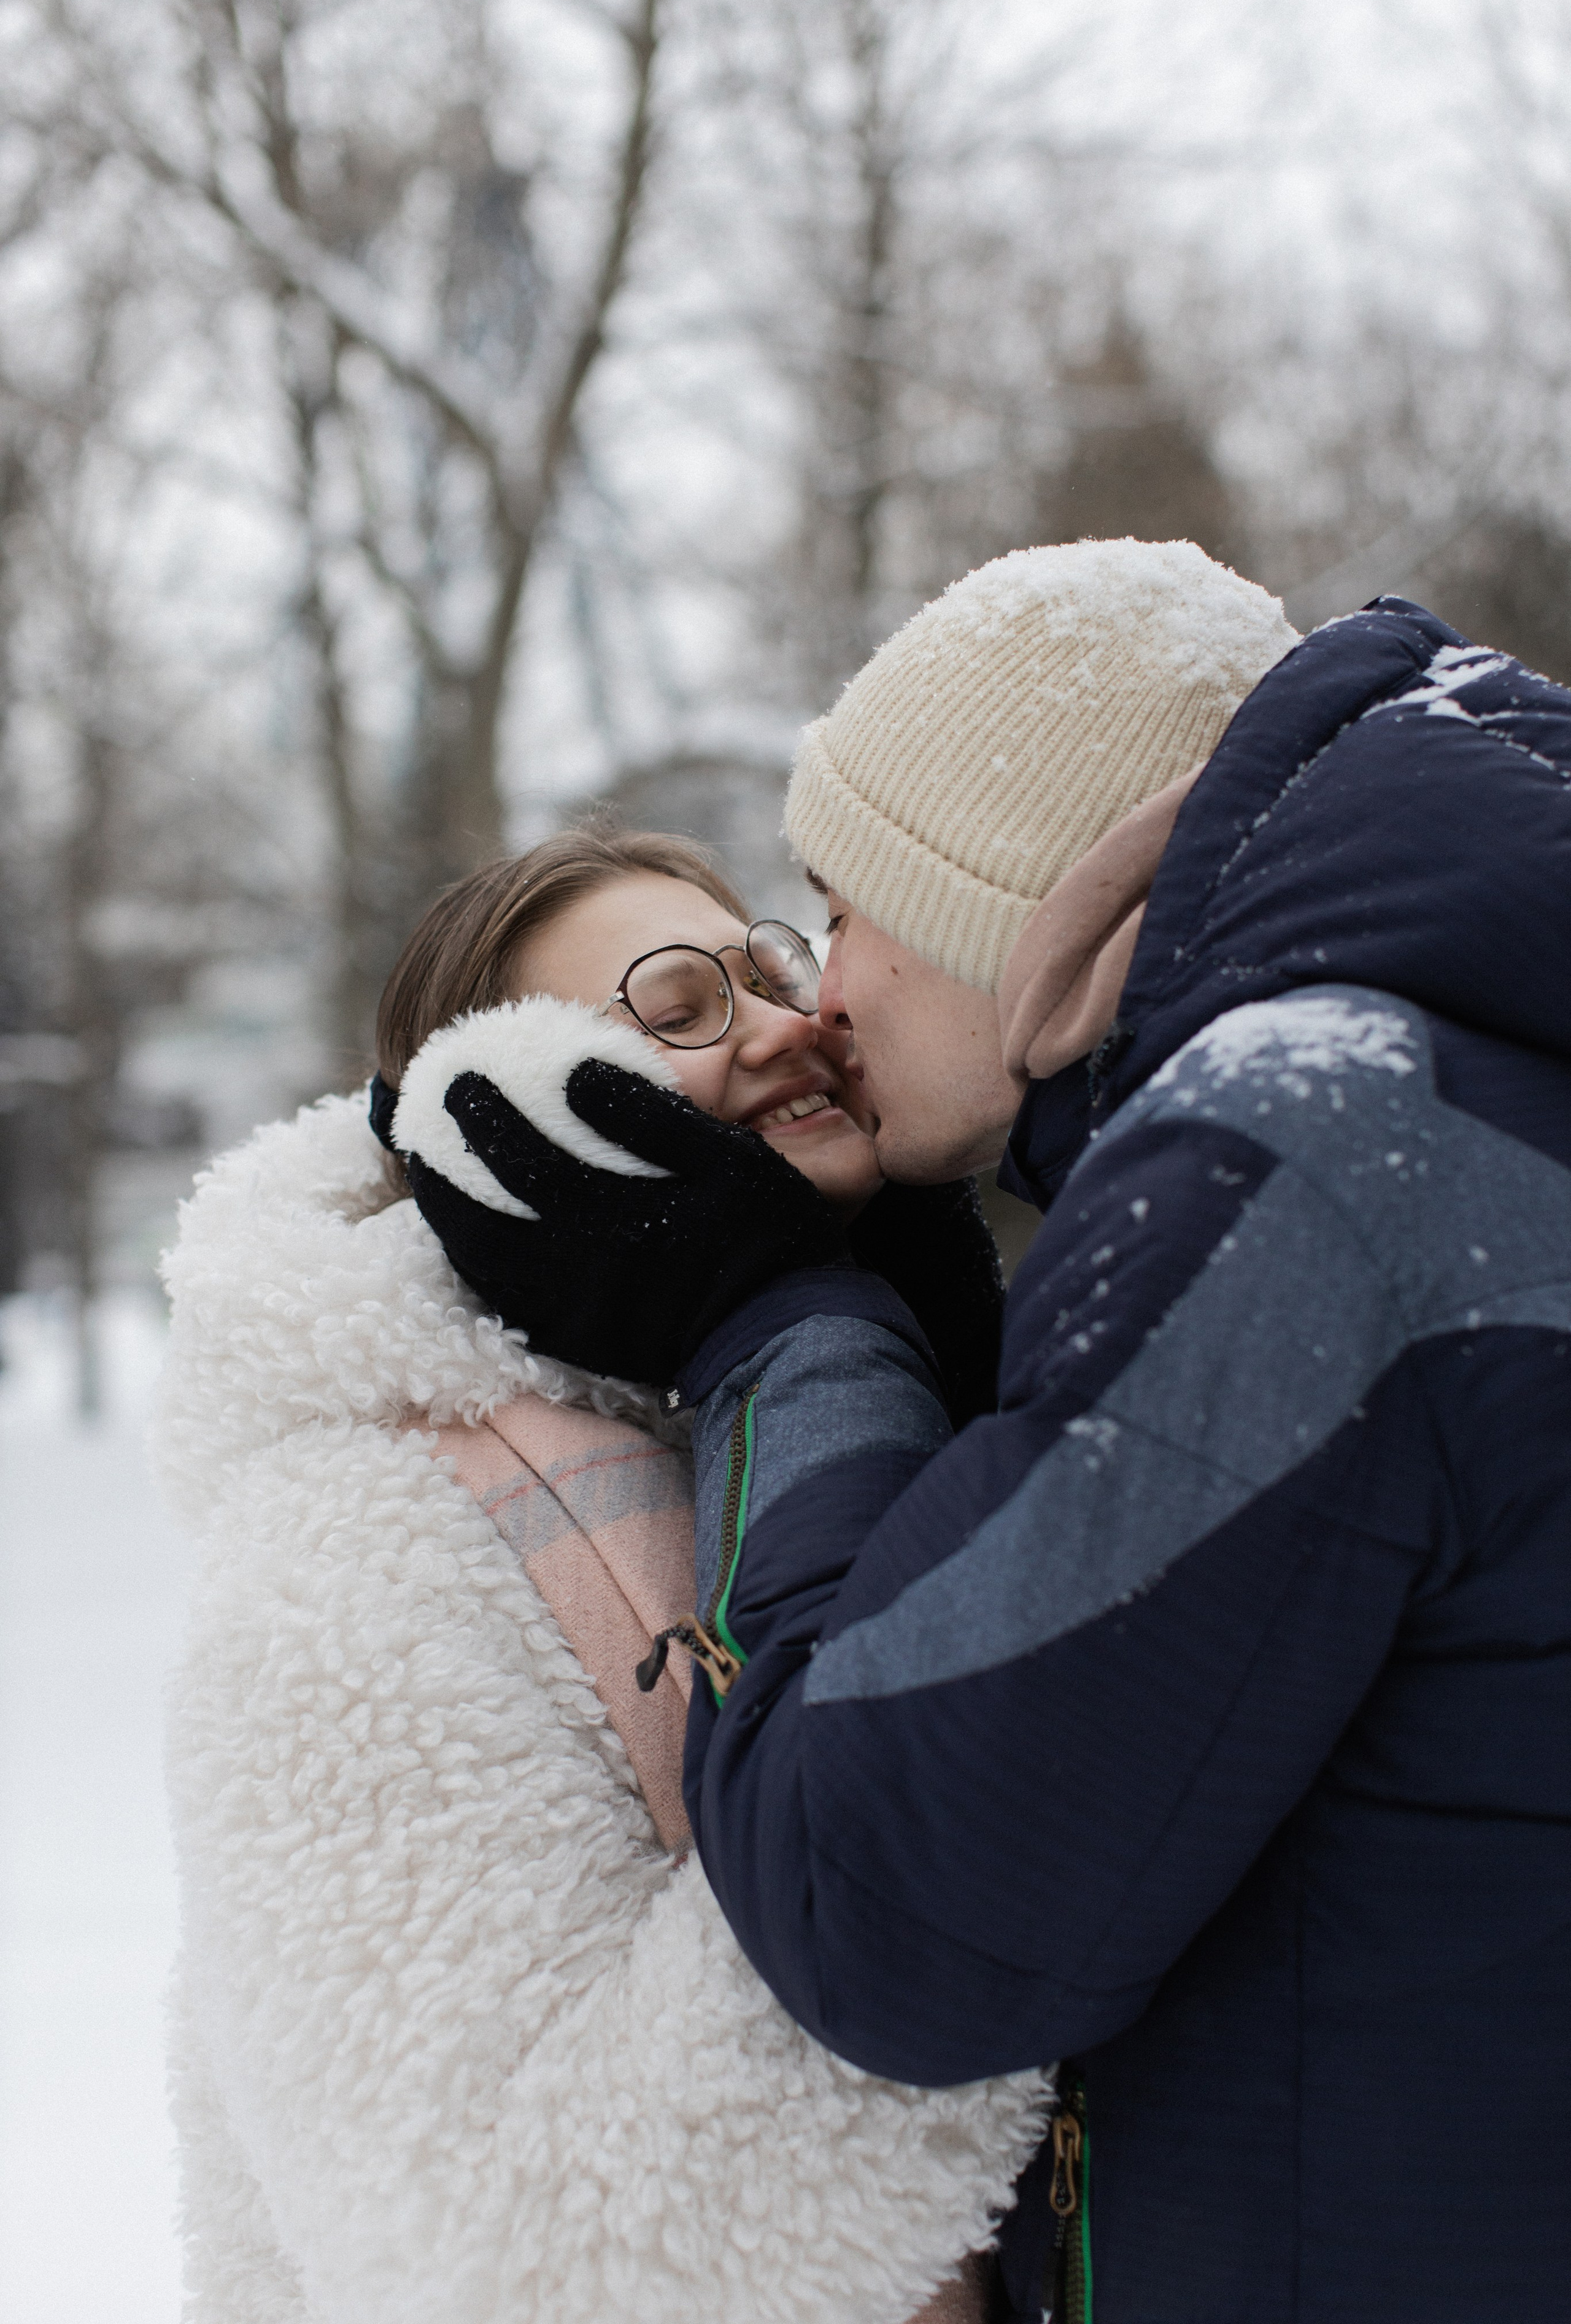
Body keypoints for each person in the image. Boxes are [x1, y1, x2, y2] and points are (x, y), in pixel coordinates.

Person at [396, 541, 1571, 2324]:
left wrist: (782, 1327)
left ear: (1003, 901)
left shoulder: (1300, 1160)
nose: (823, 1006)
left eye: (827, 918)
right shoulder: (1439, 1084)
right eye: (664, 1019)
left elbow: (883, 1902)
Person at [157, 828, 1046, 2324]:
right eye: (682, 1006)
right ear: (504, 1115)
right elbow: (524, 2246)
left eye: (769, 968)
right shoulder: (349, 1555)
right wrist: (1013, 1887)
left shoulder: (847, 1382)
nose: (787, 1026)